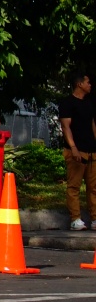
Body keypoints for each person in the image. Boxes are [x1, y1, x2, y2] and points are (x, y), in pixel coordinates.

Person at [58, 69, 96, 231]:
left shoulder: (89, 103)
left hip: (91, 150)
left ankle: (94, 218)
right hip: (76, 151)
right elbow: (65, 127)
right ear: (79, 84)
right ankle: (75, 219)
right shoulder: (68, 103)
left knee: (93, 187)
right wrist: (73, 147)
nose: (90, 85)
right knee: (74, 186)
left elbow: (92, 124)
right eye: (88, 82)